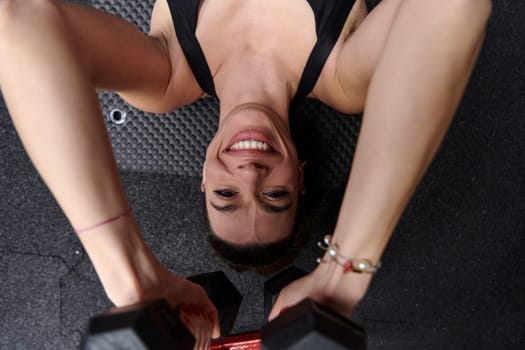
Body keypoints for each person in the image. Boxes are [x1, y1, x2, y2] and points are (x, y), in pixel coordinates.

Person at [0, 0, 492, 347]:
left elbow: (18, 23)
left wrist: (130, 274)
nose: (250, 174)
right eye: (275, 194)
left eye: (228, 196)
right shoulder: (344, 77)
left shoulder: (166, 76)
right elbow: (452, 6)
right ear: (300, 177)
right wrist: (344, 273)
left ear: (204, 178)